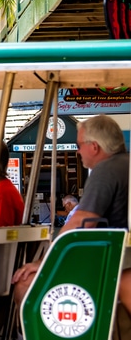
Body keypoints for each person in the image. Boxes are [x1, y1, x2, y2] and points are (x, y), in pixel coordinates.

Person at [15, 115, 128, 312]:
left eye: (79, 145)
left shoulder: (105, 170)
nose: (77, 151)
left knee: (27, 283)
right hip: (121, 259)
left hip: (108, 264)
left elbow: (81, 222)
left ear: (94, 147)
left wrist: (44, 262)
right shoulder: (125, 164)